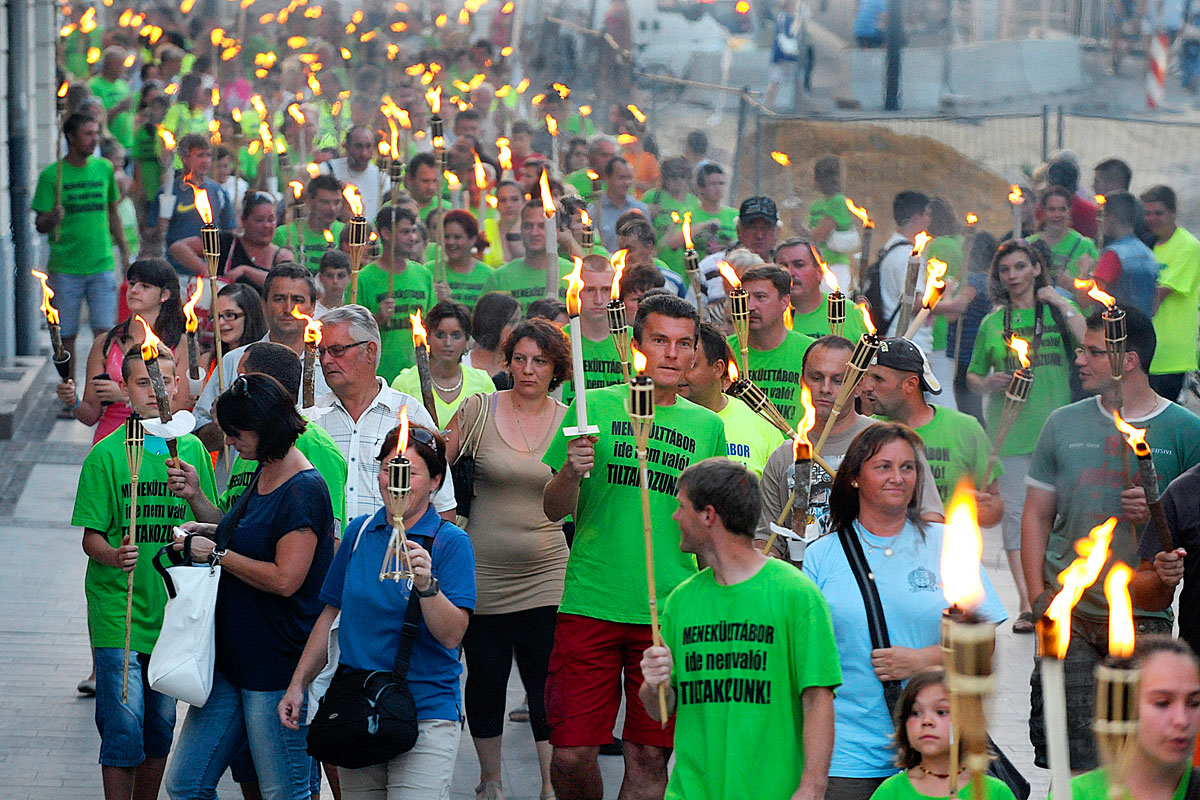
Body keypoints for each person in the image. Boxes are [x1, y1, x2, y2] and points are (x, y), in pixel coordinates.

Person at [542, 294, 728, 800]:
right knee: (571, 754)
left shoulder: (707, 427)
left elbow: (710, 531)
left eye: (683, 343)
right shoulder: (594, 404)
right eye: (659, 341)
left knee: (649, 755)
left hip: (668, 612)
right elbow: (552, 508)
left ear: (695, 354)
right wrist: (570, 470)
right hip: (591, 601)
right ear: (636, 344)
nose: (671, 353)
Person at [1022, 308, 1200, 773]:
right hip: (1071, 614)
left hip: (1144, 619)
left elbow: (1186, 529)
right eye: (1082, 349)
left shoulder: (1186, 431)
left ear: (1130, 360)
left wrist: (1155, 513)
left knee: (1139, 754)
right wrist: (1036, 596)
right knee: (1072, 755)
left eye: (1094, 352)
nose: (1079, 360)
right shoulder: (1061, 423)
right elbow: (1037, 515)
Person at [802, 424, 1007, 800]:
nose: (898, 478)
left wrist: (923, 661)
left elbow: (985, 640)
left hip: (933, 752)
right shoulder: (821, 555)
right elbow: (808, 658)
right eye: (883, 467)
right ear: (854, 479)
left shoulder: (945, 543)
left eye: (908, 468)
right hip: (848, 755)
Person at [278, 423, 476, 800]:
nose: (394, 480)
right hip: (360, 704)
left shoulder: (450, 543)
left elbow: (452, 635)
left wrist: (427, 586)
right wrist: (299, 683)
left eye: (409, 472)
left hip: (426, 709)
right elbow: (330, 615)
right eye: (388, 469)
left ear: (435, 482)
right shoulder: (359, 532)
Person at [164, 373, 335, 800]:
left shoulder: (304, 490)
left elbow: (284, 579)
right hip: (232, 664)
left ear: (265, 429)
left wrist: (216, 556)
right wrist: (201, 511)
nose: (231, 442)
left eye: (237, 434)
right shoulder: (263, 471)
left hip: (275, 668)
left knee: (285, 791)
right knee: (186, 782)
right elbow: (242, 533)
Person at [639, 457, 840, 800]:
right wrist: (652, 684)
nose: (674, 517)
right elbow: (660, 710)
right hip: (691, 791)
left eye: (680, 506)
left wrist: (812, 786)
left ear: (708, 515)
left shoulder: (796, 595)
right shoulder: (681, 601)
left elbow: (817, 700)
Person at [72, 347, 216, 800]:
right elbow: (90, 538)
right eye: (141, 383)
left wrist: (192, 494)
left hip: (174, 609)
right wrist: (115, 555)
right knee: (122, 721)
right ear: (126, 392)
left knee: (160, 724)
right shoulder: (106, 454)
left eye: (164, 382)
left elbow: (213, 521)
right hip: (120, 608)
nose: (155, 391)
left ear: (176, 387)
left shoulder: (190, 448)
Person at [445, 319, 571, 800]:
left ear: (555, 367)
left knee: (543, 677)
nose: (527, 369)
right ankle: (490, 781)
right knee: (486, 676)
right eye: (519, 358)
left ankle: (548, 784)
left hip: (546, 569)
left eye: (539, 361)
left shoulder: (570, 419)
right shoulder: (479, 409)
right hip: (482, 570)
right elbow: (435, 464)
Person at [967, 239, 1082, 632]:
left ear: (1035, 269)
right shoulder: (991, 324)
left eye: (1020, 267)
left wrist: (1062, 301)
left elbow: (1087, 341)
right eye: (1005, 270)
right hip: (1010, 436)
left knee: (1063, 517)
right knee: (1016, 520)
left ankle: (1062, 593)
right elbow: (972, 377)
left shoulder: (1057, 312)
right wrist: (988, 382)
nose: (1013, 275)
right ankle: (1028, 601)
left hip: (1060, 431)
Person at [756, 336, 945, 561]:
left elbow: (932, 521)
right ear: (802, 382)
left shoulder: (891, 443)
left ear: (859, 386)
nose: (825, 389)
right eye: (816, 378)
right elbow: (767, 540)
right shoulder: (784, 455)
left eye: (839, 380)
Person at [168, 341, 348, 536]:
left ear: (267, 386)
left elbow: (331, 541)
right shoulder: (251, 445)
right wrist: (195, 495)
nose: (232, 388)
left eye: (240, 381)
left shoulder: (315, 445)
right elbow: (229, 525)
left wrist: (218, 556)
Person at [311, 304, 457, 522]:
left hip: (394, 550)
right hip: (326, 554)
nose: (326, 360)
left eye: (337, 350)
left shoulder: (410, 416)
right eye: (321, 352)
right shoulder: (311, 418)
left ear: (370, 351)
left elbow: (442, 505)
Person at [32, 111, 130, 396]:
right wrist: (52, 217)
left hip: (101, 263)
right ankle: (69, 389)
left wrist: (123, 251)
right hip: (66, 267)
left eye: (96, 133)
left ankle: (98, 392)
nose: (94, 139)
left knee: (104, 333)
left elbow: (112, 212)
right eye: (88, 134)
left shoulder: (104, 169)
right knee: (67, 334)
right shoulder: (52, 175)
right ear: (71, 138)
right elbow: (40, 224)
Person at [862, 337, 1002, 525]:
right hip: (885, 549)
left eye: (878, 378)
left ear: (910, 384)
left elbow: (994, 507)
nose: (867, 387)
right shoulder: (867, 432)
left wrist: (984, 509)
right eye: (867, 377)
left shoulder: (965, 429)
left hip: (946, 551)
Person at [192, 263, 331, 451]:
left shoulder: (329, 365)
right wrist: (222, 425)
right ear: (264, 305)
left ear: (313, 307)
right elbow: (200, 436)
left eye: (298, 299)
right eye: (279, 299)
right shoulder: (235, 361)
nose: (288, 308)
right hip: (244, 478)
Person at [58, 258, 187, 444]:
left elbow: (180, 409)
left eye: (145, 286)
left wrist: (126, 395)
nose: (134, 290)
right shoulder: (105, 343)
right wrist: (73, 401)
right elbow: (90, 416)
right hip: (111, 442)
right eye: (133, 283)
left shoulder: (180, 344)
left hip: (161, 443)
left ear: (165, 295)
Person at [1066, 638, 1200, 800]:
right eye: (1162, 703)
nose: (1182, 720)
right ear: (1125, 705)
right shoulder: (1075, 795)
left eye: (1194, 703)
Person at [870, 669, 1017, 800]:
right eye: (916, 712)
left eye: (941, 712)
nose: (927, 721)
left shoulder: (995, 792)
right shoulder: (890, 792)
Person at [679, 323, 785, 475]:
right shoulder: (656, 417)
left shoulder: (760, 421)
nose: (679, 373)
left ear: (718, 369)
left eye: (690, 365)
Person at [356, 204, 436, 383]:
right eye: (405, 232)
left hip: (418, 375)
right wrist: (378, 318)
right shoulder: (364, 278)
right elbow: (354, 332)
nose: (413, 238)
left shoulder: (423, 274)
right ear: (386, 234)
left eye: (413, 231)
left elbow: (433, 324)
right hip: (380, 376)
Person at [728, 265, 815, 427]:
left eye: (761, 297)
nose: (750, 306)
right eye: (745, 298)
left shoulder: (811, 352)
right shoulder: (726, 350)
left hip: (794, 448)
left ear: (784, 302)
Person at [392, 300, 496, 426]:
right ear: (428, 338)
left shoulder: (483, 383)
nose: (448, 343)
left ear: (467, 340)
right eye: (440, 335)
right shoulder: (404, 384)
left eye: (456, 335)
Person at [1140, 184, 1200, 402]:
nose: (1152, 219)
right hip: (1149, 353)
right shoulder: (1149, 245)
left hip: (1171, 357)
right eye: (1147, 213)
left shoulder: (1188, 247)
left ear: (1173, 213)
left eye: (1158, 213)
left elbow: (1156, 298)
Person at [150, 133, 236, 278]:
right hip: (177, 272)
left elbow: (230, 232)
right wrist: (160, 226)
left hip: (210, 273)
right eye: (199, 155)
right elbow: (151, 235)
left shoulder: (219, 193)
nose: (205, 161)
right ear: (184, 159)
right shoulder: (167, 193)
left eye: (208, 155)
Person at [172, 191, 294, 289]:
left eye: (271, 220)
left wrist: (245, 270)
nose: (266, 225)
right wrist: (205, 270)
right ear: (243, 221)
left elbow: (283, 284)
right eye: (259, 220)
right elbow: (178, 248)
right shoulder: (226, 242)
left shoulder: (282, 255)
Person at [482, 199, 575, 311]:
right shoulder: (500, 278)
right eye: (528, 226)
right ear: (521, 229)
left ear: (557, 231)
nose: (534, 232)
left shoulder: (573, 274)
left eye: (542, 226)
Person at [559, 255, 626, 406]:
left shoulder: (635, 340)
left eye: (606, 289)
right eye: (589, 290)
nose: (599, 299)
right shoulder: (558, 341)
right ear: (576, 290)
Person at [778, 237, 867, 341]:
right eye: (783, 266)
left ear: (819, 272)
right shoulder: (768, 315)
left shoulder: (849, 312)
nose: (790, 273)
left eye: (799, 265)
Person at [1087, 191, 1159, 317]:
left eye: (1103, 216)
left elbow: (1087, 299)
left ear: (1112, 217)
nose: (1101, 221)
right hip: (1145, 330)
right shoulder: (1148, 253)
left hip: (1116, 331)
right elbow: (1154, 306)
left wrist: (1083, 270)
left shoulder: (1113, 255)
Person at [876, 191, 932, 348]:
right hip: (910, 339)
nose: (929, 220)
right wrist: (949, 302)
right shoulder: (908, 255)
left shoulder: (891, 246)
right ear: (916, 217)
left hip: (897, 335)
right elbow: (913, 302)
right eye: (927, 214)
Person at [271, 173, 346, 273]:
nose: (332, 208)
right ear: (310, 202)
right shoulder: (284, 234)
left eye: (336, 202)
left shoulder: (345, 233)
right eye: (325, 202)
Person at [1028, 185, 1098, 288]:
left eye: (1062, 209)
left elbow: (1097, 287)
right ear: (1043, 212)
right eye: (1052, 209)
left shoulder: (1085, 245)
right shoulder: (1029, 245)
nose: (1057, 214)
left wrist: (1073, 284)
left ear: (1069, 211)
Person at [321, 125, 390, 222]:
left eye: (368, 146)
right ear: (346, 146)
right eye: (359, 146)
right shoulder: (327, 170)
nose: (364, 153)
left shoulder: (382, 178)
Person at [429, 209, 493, 309]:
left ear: (472, 239)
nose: (450, 242)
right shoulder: (430, 271)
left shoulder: (489, 276)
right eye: (446, 237)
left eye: (457, 237)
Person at [807, 155, 857, 283]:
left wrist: (802, 231)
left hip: (835, 266)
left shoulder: (837, 201)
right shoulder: (817, 204)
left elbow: (820, 235)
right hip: (817, 263)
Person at [1092, 157, 1155, 246]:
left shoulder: (1138, 215)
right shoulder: (1106, 209)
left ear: (1113, 184)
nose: (1093, 186)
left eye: (1097, 182)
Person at [589, 156, 646, 250]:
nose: (627, 183)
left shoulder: (641, 209)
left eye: (629, 178)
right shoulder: (594, 211)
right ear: (607, 177)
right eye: (622, 178)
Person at [468, 291, 523, 378]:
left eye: (519, 322)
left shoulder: (521, 367)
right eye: (512, 322)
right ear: (492, 324)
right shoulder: (461, 365)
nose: (517, 328)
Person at [314, 248, 351, 316]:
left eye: (341, 276)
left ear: (349, 277)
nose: (335, 281)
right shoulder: (313, 312)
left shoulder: (353, 311)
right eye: (329, 276)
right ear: (321, 278)